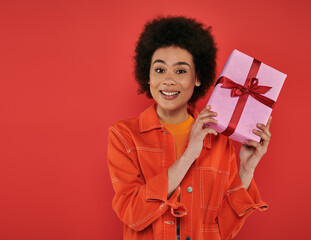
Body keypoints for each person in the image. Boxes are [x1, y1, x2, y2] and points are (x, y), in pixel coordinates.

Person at [107, 16, 270, 240]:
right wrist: (190, 155)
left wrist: (247, 169)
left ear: (198, 77)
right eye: (160, 70)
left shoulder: (219, 139)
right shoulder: (124, 136)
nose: (169, 81)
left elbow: (224, 230)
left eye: (181, 71)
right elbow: (132, 214)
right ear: (147, 76)